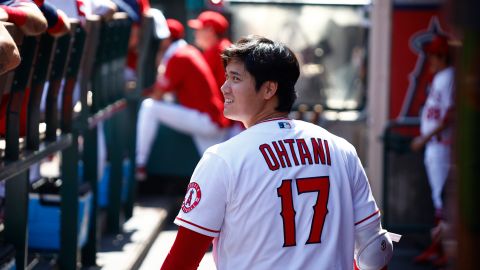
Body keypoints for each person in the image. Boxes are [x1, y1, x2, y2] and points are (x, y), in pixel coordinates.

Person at [161, 35, 393, 270]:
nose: (224, 87)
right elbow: (375, 252)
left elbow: (181, 261)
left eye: (235, 78)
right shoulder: (341, 149)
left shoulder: (223, 158)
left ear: (269, 89)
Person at [135, 18, 229, 180]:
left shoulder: (180, 56)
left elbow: (157, 95)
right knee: (219, 174)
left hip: (207, 119)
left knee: (150, 107)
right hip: (212, 118)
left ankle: (139, 163)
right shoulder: (188, 51)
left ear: (167, 40)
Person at [410, 33, 455, 267]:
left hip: (441, 145)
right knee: (439, 200)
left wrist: (423, 137)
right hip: (434, 146)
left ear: (442, 56)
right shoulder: (441, 77)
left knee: (442, 201)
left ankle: (444, 249)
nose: (431, 60)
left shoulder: (449, 76)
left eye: (435, 55)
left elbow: (450, 114)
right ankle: (439, 248)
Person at [188, 10, 244, 138]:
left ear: (210, 31)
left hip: (232, 124)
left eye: (199, 29)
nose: (195, 33)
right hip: (237, 120)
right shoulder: (225, 47)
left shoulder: (216, 51)